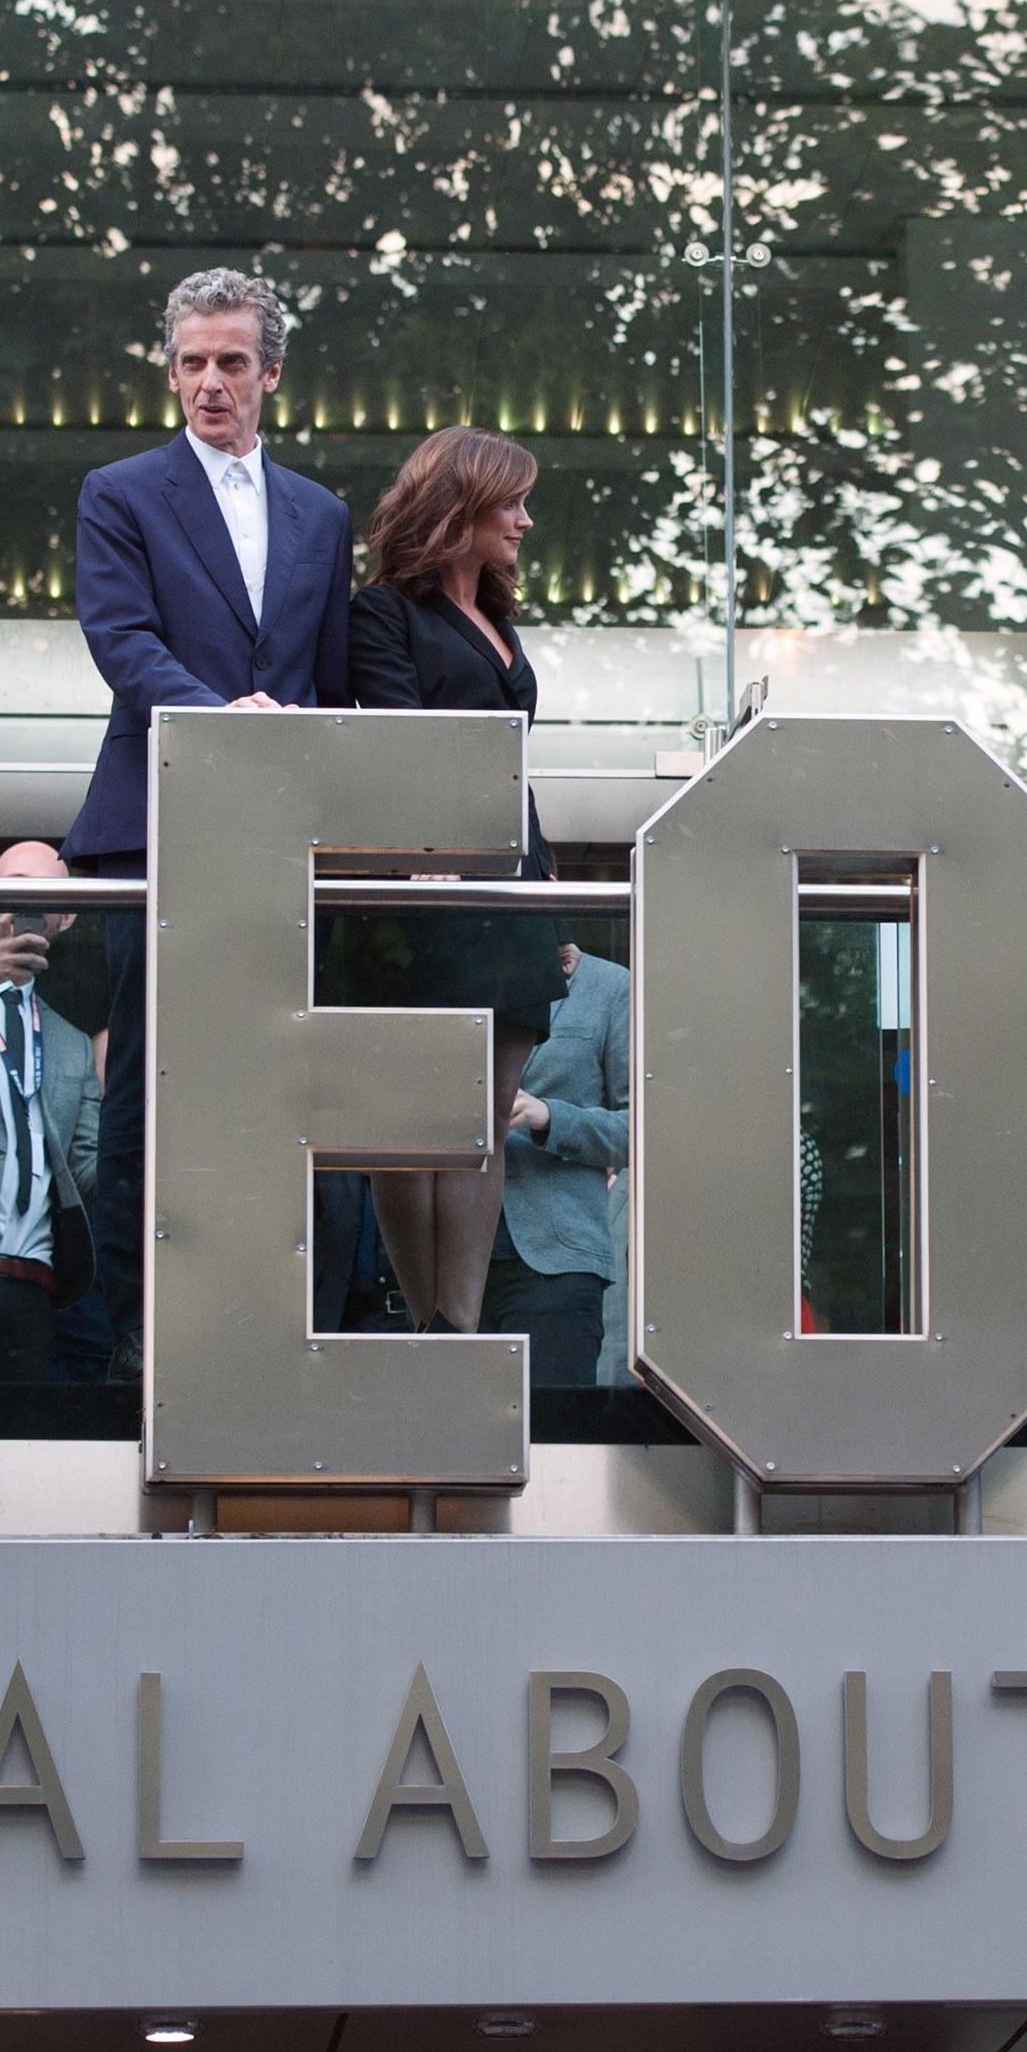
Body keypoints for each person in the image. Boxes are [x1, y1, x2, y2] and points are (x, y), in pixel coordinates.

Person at [61, 268, 356, 1377]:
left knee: (284, 1083)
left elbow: (328, 681)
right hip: (159, 821)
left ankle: (280, 1330)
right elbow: (122, 643)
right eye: (191, 362)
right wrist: (222, 719)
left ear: (270, 373)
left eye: (232, 361)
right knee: (149, 1085)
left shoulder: (321, 514)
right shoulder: (121, 490)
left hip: (285, 838)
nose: (209, 383)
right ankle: (138, 1342)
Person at [346, 426, 572, 1336]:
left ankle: (461, 1331)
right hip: (423, 888)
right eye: (509, 502)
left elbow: (515, 770)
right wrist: (429, 846)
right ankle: (422, 1321)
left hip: (509, 884)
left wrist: (550, 887)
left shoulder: (501, 619)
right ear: (459, 507)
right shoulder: (383, 612)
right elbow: (397, 743)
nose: (523, 519)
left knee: (481, 1127)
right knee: (410, 1128)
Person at [0, 842, 103, 1386]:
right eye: (6, 892)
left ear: (66, 916)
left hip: (32, 1282)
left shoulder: (72, 1044)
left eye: (38, 895)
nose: (16, 908)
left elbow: (85, 1171)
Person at [484, 942, 630, 1388]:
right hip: (454, 1255)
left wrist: (551, 1117)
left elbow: (643, 1132)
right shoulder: (457, 972)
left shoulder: (611, 986)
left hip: (558, 1259)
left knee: (551, 1437)